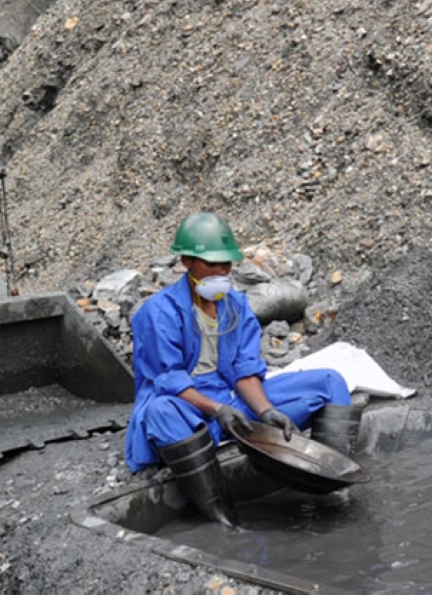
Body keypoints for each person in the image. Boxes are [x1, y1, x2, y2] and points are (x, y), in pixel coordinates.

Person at [123, 212, 356, 525]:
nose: (222, 272)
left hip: (228, 402)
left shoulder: (235, 304)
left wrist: (264, 411)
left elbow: (244, 370)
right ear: (187, 263)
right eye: (212, 265)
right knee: (160, 413)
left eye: (226, 265)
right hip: (185, 407)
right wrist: (217, 409)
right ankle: (219, 513)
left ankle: (331, 482)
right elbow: (169, 380)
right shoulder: (158, 312)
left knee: (329, 381)